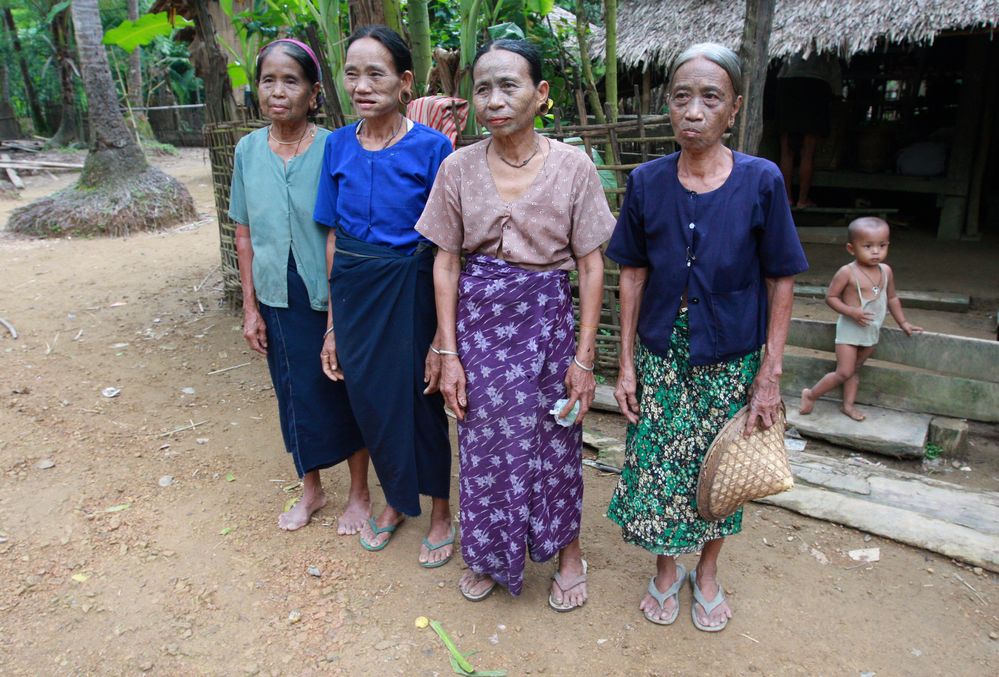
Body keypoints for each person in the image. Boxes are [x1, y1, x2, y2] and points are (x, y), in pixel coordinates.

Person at [605, 43, 808, 631]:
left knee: (724, 469)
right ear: (669, 106)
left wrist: (769, 374)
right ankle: (668, 568)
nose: (693, 110)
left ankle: (710, 570)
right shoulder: (646, 182)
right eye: (682, 97)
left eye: (710, 98)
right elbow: (633, 271)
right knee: (664, 463)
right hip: (663, 352)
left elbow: (781, 279)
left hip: (732, 356)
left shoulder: (761, 180)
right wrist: (625, 364)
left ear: (733, 109)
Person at [416, 39, 616, 610]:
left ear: (541, 93)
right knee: (483, 446)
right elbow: (445, 261)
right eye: (483, 88)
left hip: (548, 326)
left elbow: (591, 264)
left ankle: (567, 553)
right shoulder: (457, 168)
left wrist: (584, 360)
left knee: (557, 443)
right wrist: (448, 351)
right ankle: (486, 553)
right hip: (480, 331)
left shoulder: (573, 167)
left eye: (510, 85)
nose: (495, 99)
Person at [313, 25, 455, 568]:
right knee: (369, 401)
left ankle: (440, 512)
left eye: (376, 73)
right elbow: (331, 235)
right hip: (353, 291)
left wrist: (444, 334)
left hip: (411, 288)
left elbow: (447, 243)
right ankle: (397, 502)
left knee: (421, 400)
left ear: (404, 81)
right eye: (353, 74)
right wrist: (331, 323)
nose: (363, 85)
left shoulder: (432, 148)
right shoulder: (337, 145)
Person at [229, 39, 371, 533]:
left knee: (342, 386)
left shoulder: (336, 145)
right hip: (276, 291)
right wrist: (250, 307)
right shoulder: (247, 150)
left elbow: (347, 228)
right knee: (292, 390)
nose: (278, 90)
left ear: (313, 93)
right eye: (269, 80)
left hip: (333, 289)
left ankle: (359, 493)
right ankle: (311, 489)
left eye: (291, 81)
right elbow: (243, 234)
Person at [799, 217, 922, 421]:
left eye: (882, 246)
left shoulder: (886, 271)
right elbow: (830, 298)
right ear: (851, 248)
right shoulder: (847, 272)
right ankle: (810, 394)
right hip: (849, 330)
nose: (876, 251)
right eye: (868, 246)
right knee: (844, 371)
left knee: (855, 370)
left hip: (871, 331)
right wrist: (851, 312)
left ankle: (848, 405)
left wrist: (904, 323)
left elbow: (892, 298)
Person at [777, 50, 842, 207]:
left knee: (787, 151)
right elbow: (835, 75)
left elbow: (781, 72)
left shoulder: (793, 43)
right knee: (808, 152)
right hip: (815, 88)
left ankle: (787, 198)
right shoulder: (827, 45)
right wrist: (837, 94)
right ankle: (802, 200)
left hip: (789, 87)